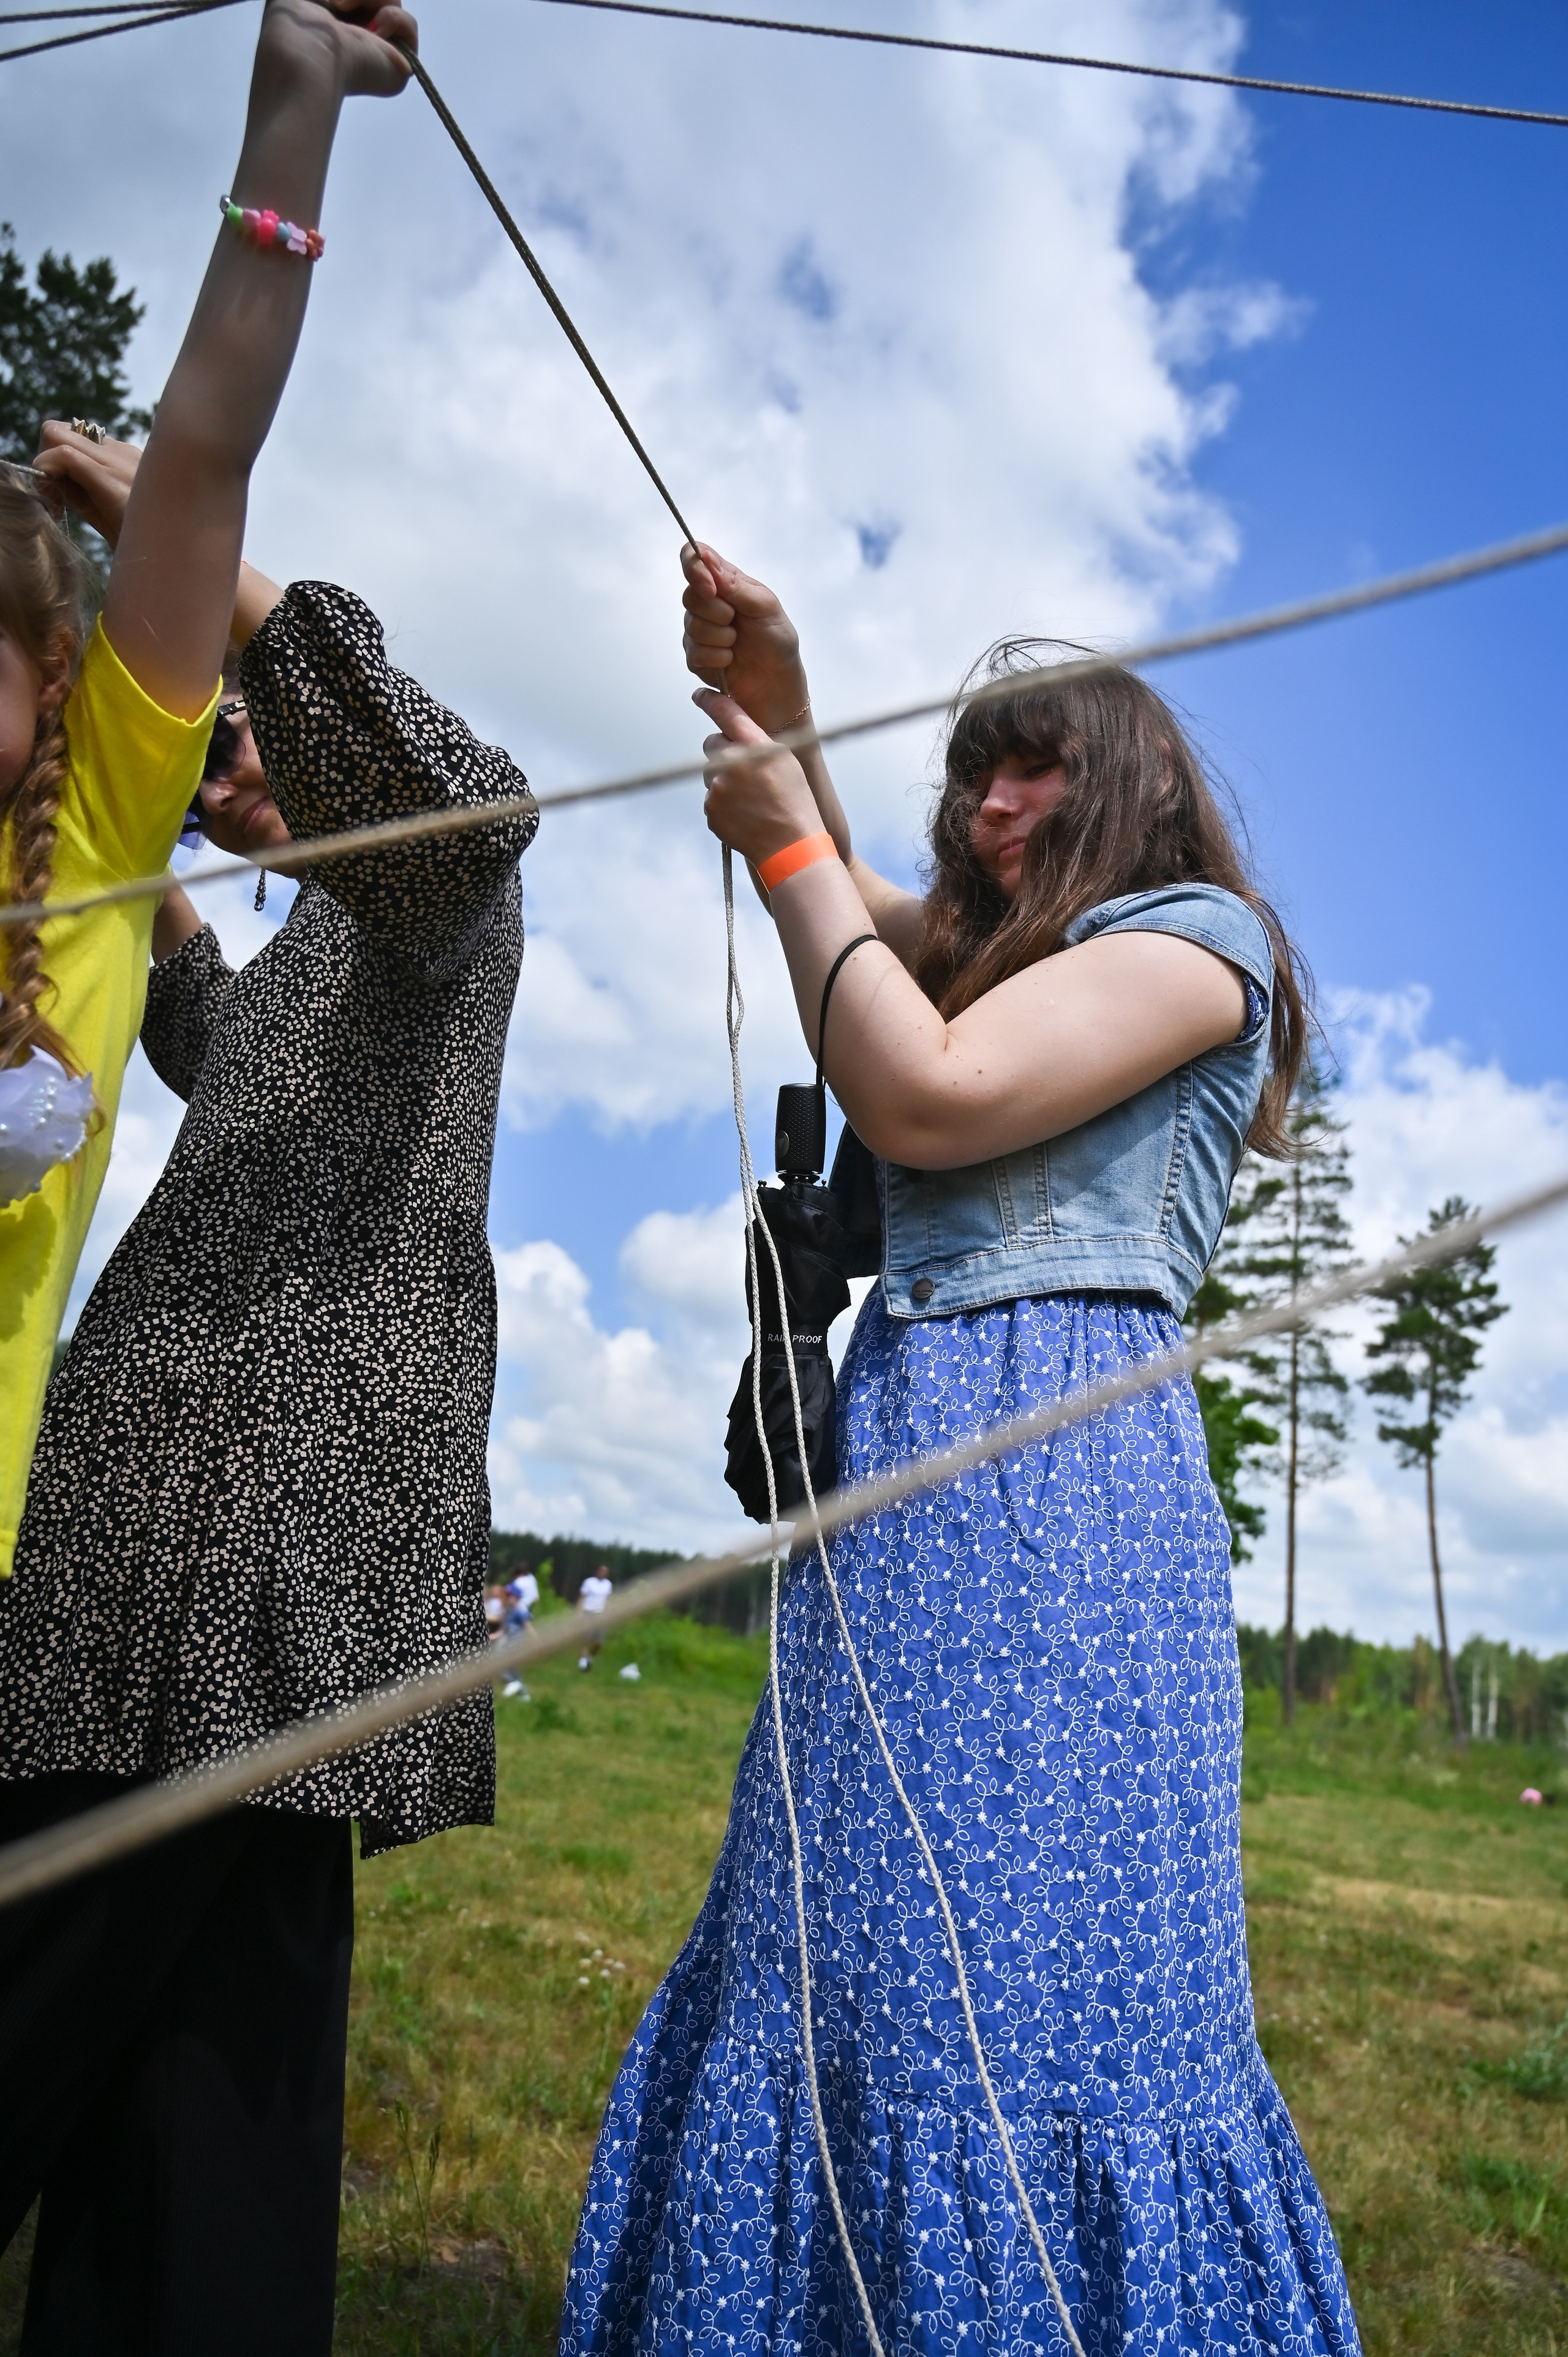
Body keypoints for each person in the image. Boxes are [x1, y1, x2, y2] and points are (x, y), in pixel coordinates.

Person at [559, 549, 1362, 2355]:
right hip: (899, 1486)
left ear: (1132, 787)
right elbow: (876, 931)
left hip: (1056, 1494)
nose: (991, 805)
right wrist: (782, 702)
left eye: (1033, 770)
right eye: (972, 774)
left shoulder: (1192, 944)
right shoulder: (1003, 957)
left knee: (1030, 1994)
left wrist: (776, 837)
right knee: (859, 1965)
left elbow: (919, 1081)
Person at [0, 5, 546, 2350]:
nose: (242, 763)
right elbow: (176, 1041)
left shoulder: (439, 905)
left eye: (274, 739)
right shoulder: (306, 954)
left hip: (273, 1575)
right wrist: (187, 871)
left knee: (196, 2121)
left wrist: (217, 596)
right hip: (134, 1565)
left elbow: (466, 798)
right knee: (151, 2106)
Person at [500, 1568, 539, 1699]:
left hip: (517, 1645)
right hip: (510, 1644)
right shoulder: (511, 1610)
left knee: (505, 1668)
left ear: (516, 1597)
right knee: (513, 1671)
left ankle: (516, 1688)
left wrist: (536, 1640)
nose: (508, 1598)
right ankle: (523, 1695)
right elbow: (504, 1629)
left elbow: (528, 1627)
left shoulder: (521, 1610)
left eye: (510, 1596)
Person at [576, 1564, 612, 1670]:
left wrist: (609, 1612)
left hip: (600, 1614)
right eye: (601, 1571)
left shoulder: (608, 1585)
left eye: (605, 1572)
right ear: (597, 1571)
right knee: (586, 1638)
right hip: (588, 1612)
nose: (603, 1573)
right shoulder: (589, 1582)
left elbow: (608, 1599)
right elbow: (582, 1597)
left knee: (599, 1643)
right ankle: (582, 1662)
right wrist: (579, 1612)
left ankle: (590, 1658)